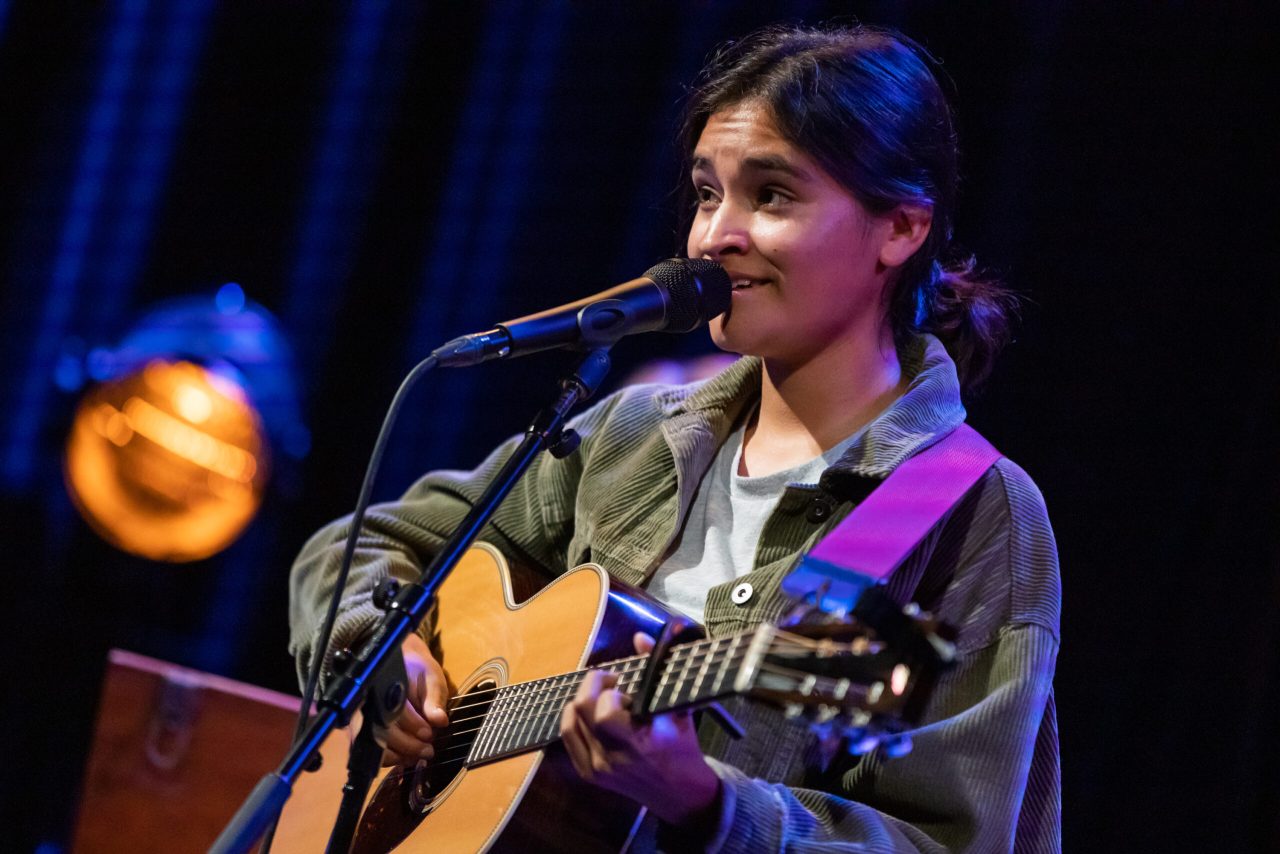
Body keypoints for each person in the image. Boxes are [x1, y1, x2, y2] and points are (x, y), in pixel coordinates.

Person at [289, 23, 1060, 853]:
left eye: (771, 195)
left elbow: (946, 842)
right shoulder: (638, 434)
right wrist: (388, 656)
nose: (712, 237)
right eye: (704, 192)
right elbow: (362, 546)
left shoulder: (957, 509)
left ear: (902, 229)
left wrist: (709, 809)